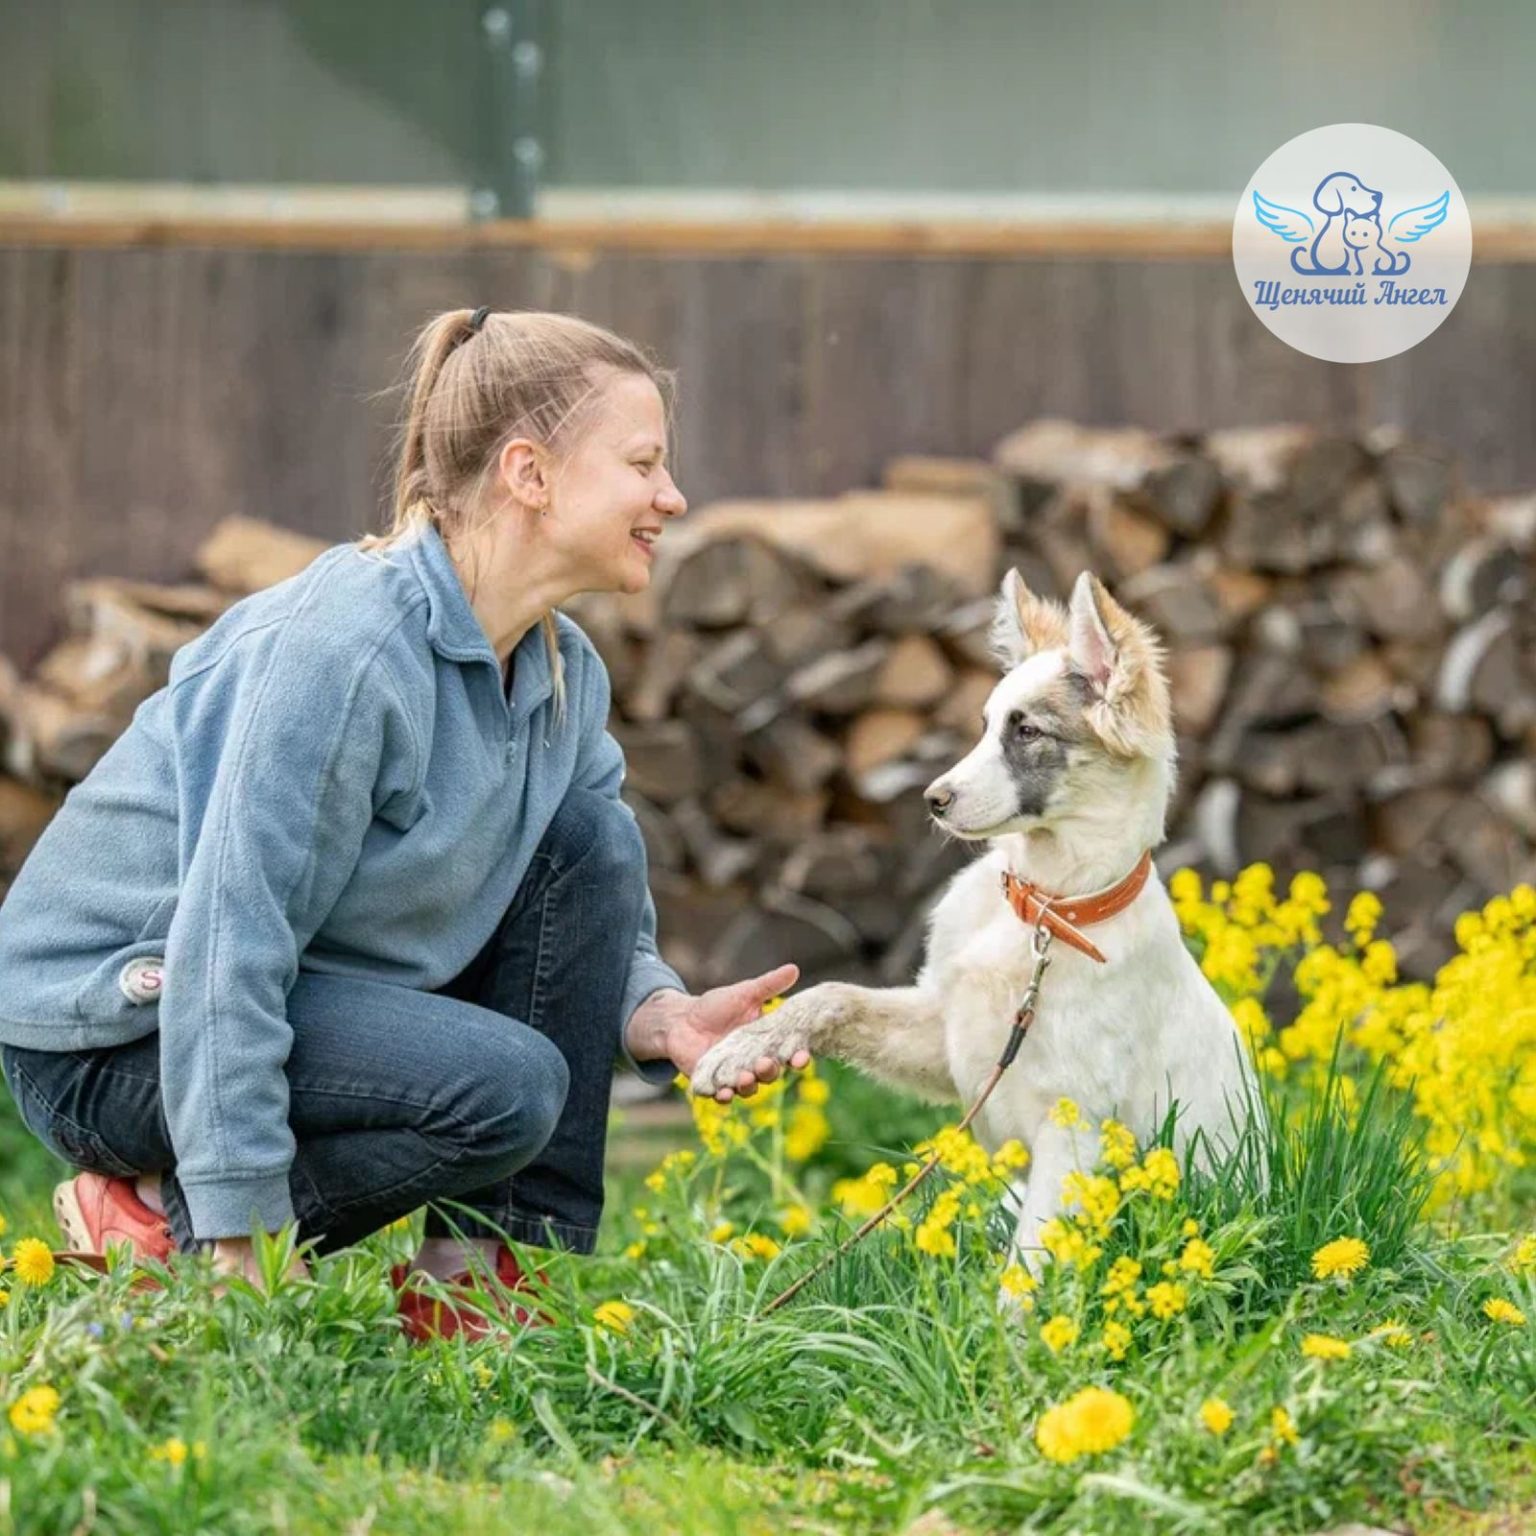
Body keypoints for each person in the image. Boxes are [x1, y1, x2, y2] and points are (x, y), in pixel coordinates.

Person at [0, 308, 806, 1333]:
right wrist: (241, 1238)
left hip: (271, 990)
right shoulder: (347, 653)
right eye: (643, 464)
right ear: (530, 474)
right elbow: (228, 943)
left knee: (593, 840)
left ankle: (472, 1281)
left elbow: (576, 899)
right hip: (114, 1034)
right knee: (506, 1086)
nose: (671, 497)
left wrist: (656, 1015)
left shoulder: (562, 673)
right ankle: (159, 1217)